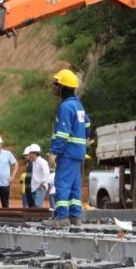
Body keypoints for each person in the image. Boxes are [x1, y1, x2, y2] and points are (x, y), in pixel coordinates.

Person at [48, 69, 90, 226]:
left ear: (63, 87)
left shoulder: (65, 107)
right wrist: (81, 139)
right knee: (74, 186)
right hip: (78, 152)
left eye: (56, 84)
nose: (54, 86)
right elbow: (87, 126)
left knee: (62, 184)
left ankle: (62, 217)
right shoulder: (79, 106)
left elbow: (62, 133)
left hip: (67, 151)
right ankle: (75, 216)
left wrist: (54, 152)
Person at [24, 144, 50, 208]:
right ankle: (41, 214)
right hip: (34, 187)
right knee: (35, 206)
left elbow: (46, 173)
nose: (29, 155)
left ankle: (44, 213)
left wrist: (42, 183)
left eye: (30, 153)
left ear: (35, 153)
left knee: (37, 204)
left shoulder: (42, 162)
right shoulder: (33, 163)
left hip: (40, 187)